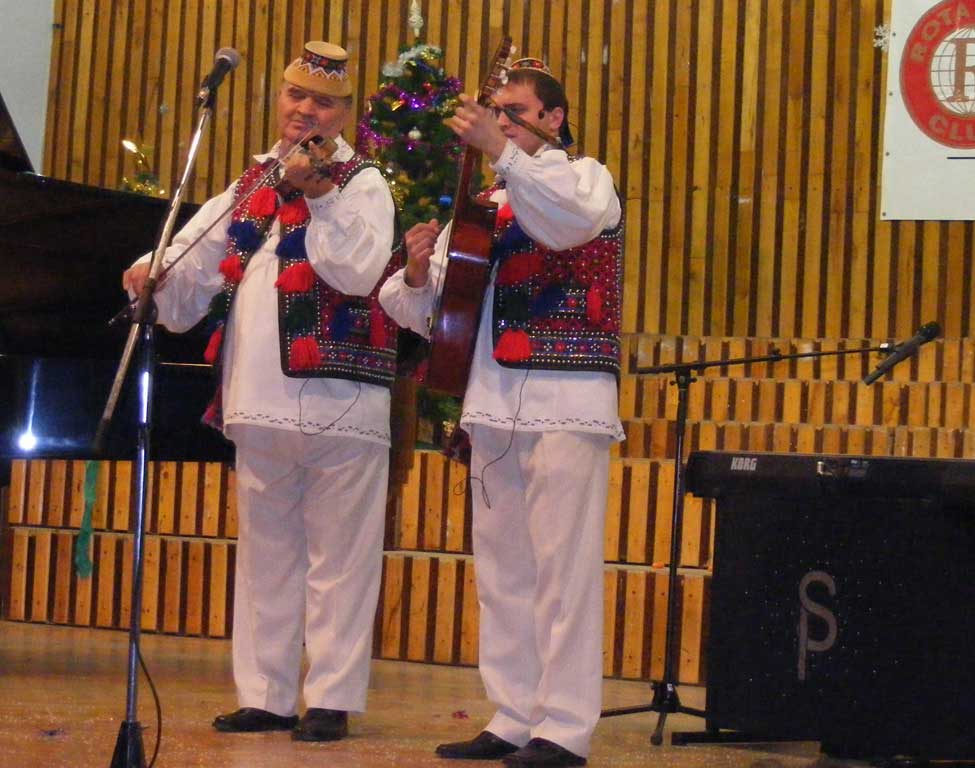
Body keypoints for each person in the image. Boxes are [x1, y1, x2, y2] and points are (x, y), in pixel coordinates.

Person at [122, 41, 398, 742]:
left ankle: (331, 697)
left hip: (341, 401)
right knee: (267, 554)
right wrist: (149, 270)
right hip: (258, 397)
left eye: (323, 102)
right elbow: (195, 256)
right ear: (280, 100)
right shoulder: (250, 183)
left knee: (340, 560)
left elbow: (358, 270)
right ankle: (268, 694)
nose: (306, 110)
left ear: (344, 115)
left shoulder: (364, 181)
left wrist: (322, 194)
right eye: (296, 97)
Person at [379, 58, 624, 768]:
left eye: (516, 112)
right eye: (497, 113)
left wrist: (501, 150)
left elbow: (566, 224)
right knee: (504, 571)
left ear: (554, 118)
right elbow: (433, 316)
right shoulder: (488, 206)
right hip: (494, 401)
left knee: (562, 570)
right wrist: (420, 270)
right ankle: (513, 714)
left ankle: (566, 726)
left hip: (567, 398)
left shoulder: (586, 178)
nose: (503, 122)